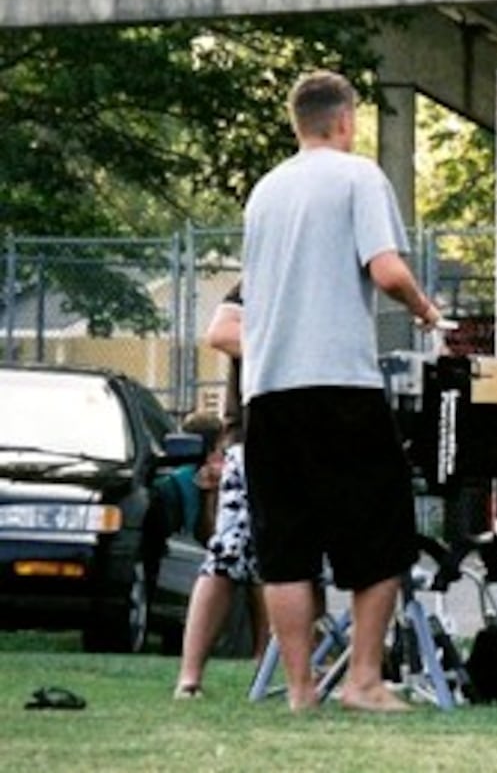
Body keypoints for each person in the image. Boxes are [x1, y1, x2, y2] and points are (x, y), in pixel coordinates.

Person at [241, 70, 443, 713]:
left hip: (268, 387)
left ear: (298, 123)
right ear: (347, 121)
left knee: (286, 547)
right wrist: (424, 308)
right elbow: (385, 268)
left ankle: (301, 689)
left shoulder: (264, 192)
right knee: (381, 533)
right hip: (338, 382)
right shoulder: (358, 177)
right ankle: (362, 680)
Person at [174, 282, 270, 700]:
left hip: (311, 439)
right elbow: (221, 333)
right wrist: (289, 351)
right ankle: (189, 677)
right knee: (228, 554)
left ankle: (273, 666)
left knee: (295, 562)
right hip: (253, 438)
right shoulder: (255, 281)